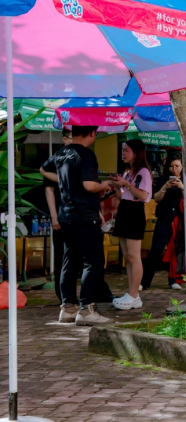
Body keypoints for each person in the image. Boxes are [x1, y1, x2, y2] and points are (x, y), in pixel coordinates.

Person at [41, 126, 114, 325]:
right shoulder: (86, 154)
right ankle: (86, 308)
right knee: (93, 261)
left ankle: (68, 308)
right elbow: (90, 186)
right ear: (92, 133)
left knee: (69, 261)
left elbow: (43, 169)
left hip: (66, 215)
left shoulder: (61, 153)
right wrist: (106, 184)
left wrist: (66, 180)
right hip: (84, 215)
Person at [110, 139, 153, 310]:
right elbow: (122, 196)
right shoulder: (128, 172)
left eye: (126, 150)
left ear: (136, 152)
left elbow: (143, 196)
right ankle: (131, 293)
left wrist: (126, 184)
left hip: (135, 212)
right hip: (125, 210)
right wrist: (116, 185)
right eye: (122, 150)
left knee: (134, 257)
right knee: (127, 257)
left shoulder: (143, 172)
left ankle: (134, 294)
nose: (123, 153)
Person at [142, 152, 186, 291]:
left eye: (177, 166)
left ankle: (174, 280)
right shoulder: (162, 180)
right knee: (156, 249)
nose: (174, 169)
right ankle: (145, 281)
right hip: (164, 218)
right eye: (171, 166)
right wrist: (165, 187)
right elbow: (156, 198)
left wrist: (182, 187)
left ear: (182, 166)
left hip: (180, 219)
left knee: (177, 250)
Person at [44, 129, 73, 305]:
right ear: (64, 139)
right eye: (72, 137)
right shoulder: (57, 158)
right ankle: (62, 295)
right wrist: (54, 215)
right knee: (62, 256)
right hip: (61, 215)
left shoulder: (80, 157)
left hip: (77, 215)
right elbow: (49, 189)